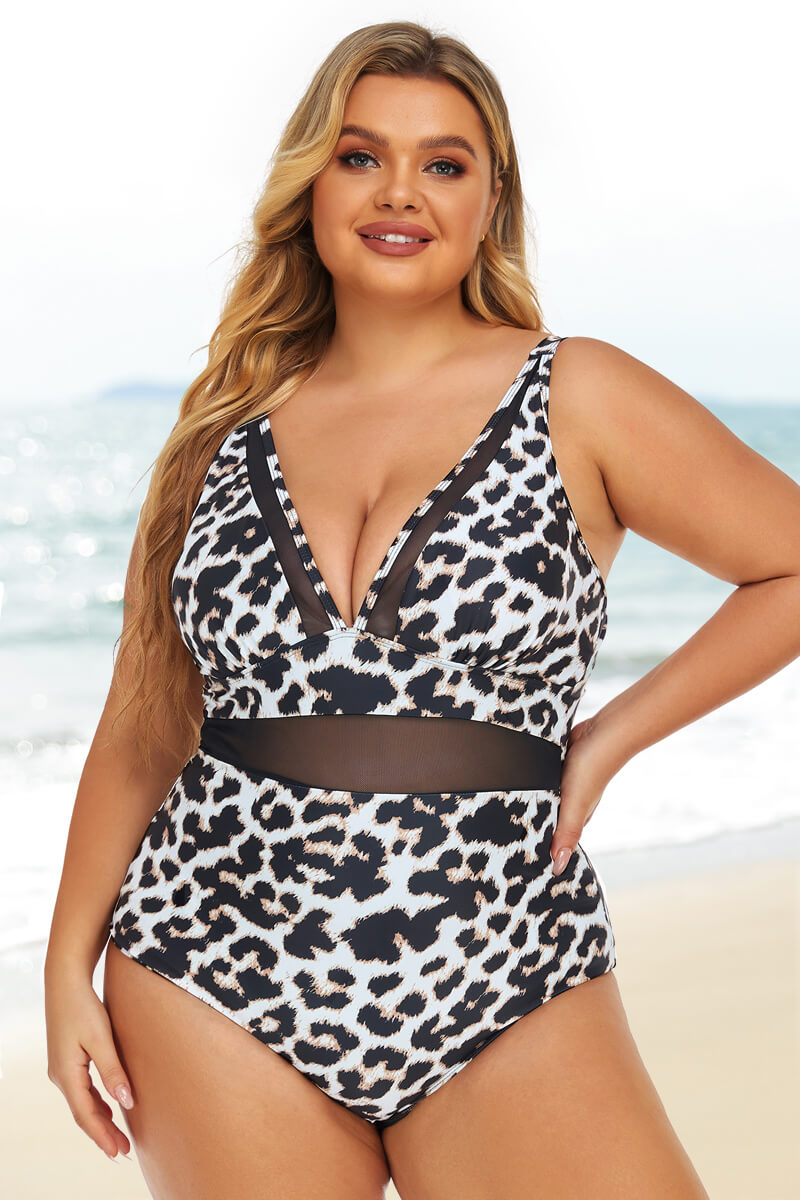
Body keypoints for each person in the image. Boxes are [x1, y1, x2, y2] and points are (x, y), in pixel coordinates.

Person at [43, 20, 800, 1200]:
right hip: (208, 966)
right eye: (360, 156)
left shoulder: (575, 393)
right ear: (310, 184)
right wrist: (63, 968)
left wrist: (605, 740)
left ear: (490, 201)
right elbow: (145, 719)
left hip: (506, 962)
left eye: (443, 163)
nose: (398, 191)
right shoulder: (219, 434)